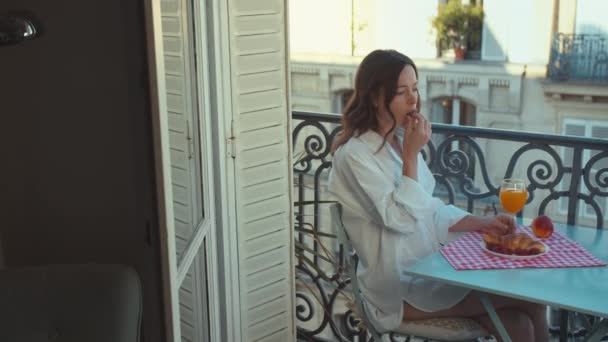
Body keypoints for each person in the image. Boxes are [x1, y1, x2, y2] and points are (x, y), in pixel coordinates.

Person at [327, 49, 548, 342]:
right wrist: (410, 156)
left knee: (518, 323)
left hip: (430, 270)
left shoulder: (396, 142)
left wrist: (481, 222)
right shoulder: (355, 156)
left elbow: (430, 209)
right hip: (397, 286)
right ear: (377, 97)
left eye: (415, 89)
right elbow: (400, 219)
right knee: (530, 298)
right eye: (402, 92)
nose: (413, 99)